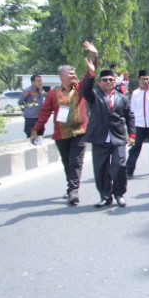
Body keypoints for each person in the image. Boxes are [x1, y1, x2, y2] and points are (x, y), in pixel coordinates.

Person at [79, 41, 136, 208]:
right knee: (101, 169)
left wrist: (132, 135)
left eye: (111, 79)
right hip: (99, 138)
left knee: (119, 167)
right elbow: (84, 89)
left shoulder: (122, 98)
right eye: (104, 80)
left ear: (114, 81)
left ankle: (119, 194)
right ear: (99, 83)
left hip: (118, 138)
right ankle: (105, 196)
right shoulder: (94, 97)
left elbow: (130, 116)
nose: (108, 82)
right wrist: (92, 68)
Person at [30, 65, 89, 205]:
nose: (73, 75)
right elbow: (44, 113)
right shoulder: (52, 94)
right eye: (70, 73)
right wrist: (35, 131)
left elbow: (89, 78)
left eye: (75, 73)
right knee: (67, 162)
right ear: (61, 76)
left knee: (76, 162)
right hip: (61, 134)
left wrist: (95, 59)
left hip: (80, 132)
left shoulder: (79, 88)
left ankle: (73, 191)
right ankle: (71, 188)